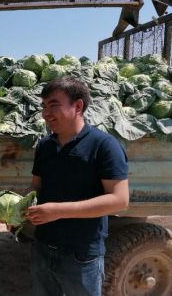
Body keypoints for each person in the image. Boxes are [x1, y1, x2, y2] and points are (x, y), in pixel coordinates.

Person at [23, 76, 129, 296]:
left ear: (78, 106)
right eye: (43, 107)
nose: (45, 113)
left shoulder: (104, 145)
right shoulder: (45, 145)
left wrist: (58, 211)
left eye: (53, 105)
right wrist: (18, 209)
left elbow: (119, 200)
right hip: (42, 247)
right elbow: (35, 186)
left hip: (81, 255)